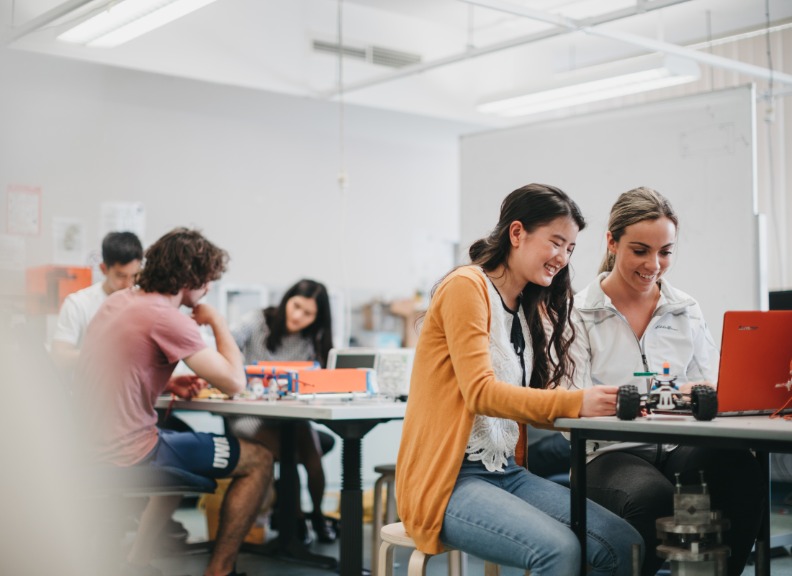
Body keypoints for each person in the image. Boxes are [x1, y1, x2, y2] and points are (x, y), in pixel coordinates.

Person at [395, 183, 643, 575]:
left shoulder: (525, 307)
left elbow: (530, 398)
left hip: (504, 472)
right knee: (558, 551)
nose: (562, 258)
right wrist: (575, 403)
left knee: (622, 543)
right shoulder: (466, 287)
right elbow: (481, 394)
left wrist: (597, 404)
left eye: (571, 248)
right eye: (556, 242)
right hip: (448, 481)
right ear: (516, 233)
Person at [569, 187, 764, 576]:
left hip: (678, 447)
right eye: (640, 250)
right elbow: (569, 402)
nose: (654, 264)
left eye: (666, 252)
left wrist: (706, 393)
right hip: (606, 455)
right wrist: (647, 399)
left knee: (742, 466)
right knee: (653, 497)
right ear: (611, 242)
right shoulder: (579, 313)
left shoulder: (684, 310)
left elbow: (712, 384)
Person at [73, 227, 273, 576]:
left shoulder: (119, 301)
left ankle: (136, 562)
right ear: (190, 278)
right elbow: (235, 382)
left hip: (89, 446)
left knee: (178, 451)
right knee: (260, 459)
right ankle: (220, 570)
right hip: (131, 451)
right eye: (207, 279)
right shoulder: (168, 318)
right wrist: (218, 322)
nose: (208, 288)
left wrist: (170, 382)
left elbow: (118, 370)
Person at [229, 279, 337, 544]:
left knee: (311, 454)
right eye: (296, 306)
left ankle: (317, 515)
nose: (298, 316)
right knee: (291, 452)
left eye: (308, 313)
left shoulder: (313, 339)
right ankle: (295, 517)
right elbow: (224, 341)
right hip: (249, 415)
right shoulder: (257, 321)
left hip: (291, 415)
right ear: (287, 300)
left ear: (317, 318)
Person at [51, 231, 143, 377]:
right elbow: (60, 356)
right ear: (103, 269)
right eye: (120, 276)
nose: (128, 284)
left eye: (134, 276)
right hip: (88, 393)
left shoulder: (143, 302)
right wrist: (102, 355)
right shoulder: (78, 303)